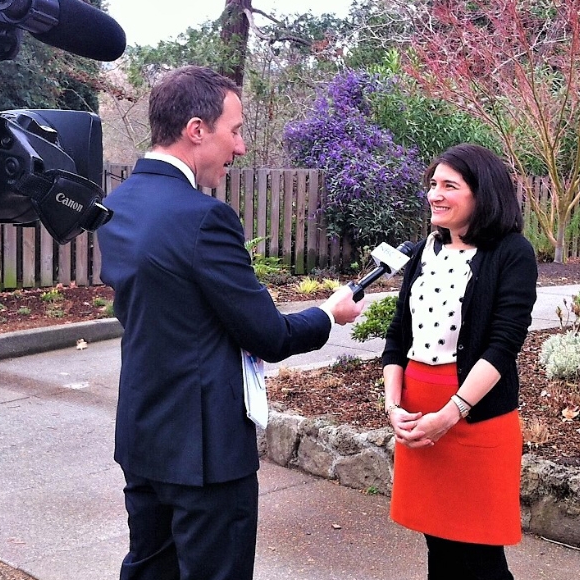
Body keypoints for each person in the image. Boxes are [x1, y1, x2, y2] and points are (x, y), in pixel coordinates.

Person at [97, 65, 365, 580]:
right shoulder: (203, 217)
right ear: (196, 130)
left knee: (150, 570)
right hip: (206, 451)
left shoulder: (117, 205)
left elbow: (174, 308)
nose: (240, 148)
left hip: (143, 434)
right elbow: (268, 334)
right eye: (235, 131)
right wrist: (329, 313)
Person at [380, 143, 537, 579]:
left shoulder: (512, 253)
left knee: (480, 557)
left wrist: (451, 414)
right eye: (433, 184)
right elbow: (398, 337)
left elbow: (503, 346)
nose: (435, 194)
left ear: (481, 194)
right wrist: (394, 407)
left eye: (450, 185)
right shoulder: (424, 251)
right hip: (417, 414)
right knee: (440, 547)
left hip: (475, 416)